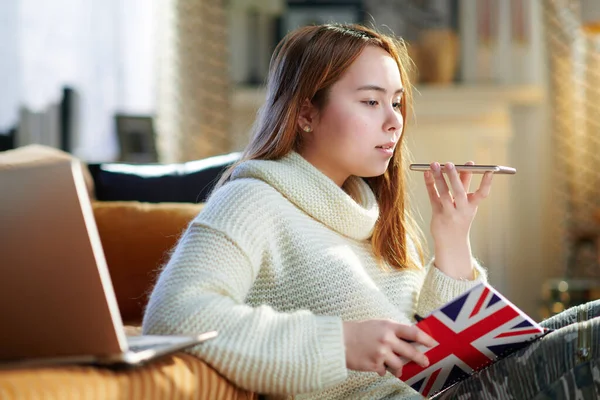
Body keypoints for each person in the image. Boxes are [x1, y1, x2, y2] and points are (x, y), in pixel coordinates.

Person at [142, 23, 599, 399]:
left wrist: (452, 238)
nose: (394, 120)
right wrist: (339, 344)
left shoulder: (372, 212)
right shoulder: (252, 201)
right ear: (306, 112)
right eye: (370, 101)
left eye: (396, 102)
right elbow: (175, 314)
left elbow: (431, 354)